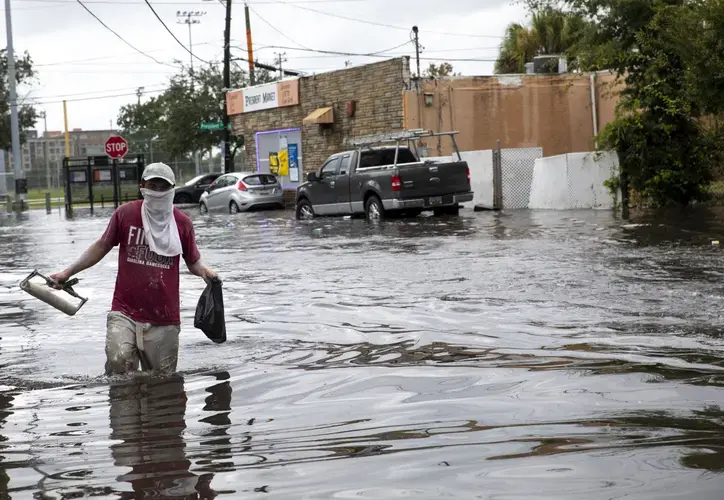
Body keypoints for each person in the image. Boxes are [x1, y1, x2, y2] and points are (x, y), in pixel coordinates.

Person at [51, 162, 218, 376]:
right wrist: (67, 273)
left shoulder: (182, 224)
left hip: (164, 316)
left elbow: (193, 261)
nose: (157, 192)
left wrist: (206, 273)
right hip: (125, 310)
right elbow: (102, 245)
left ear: (173, 189)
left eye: (163, 187)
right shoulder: (125, 214)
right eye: (153, 186)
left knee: (162, 380)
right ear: (142, 187)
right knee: (118, 364)